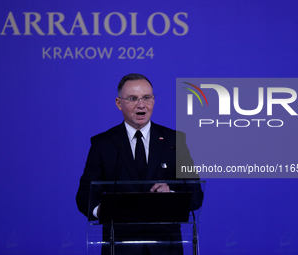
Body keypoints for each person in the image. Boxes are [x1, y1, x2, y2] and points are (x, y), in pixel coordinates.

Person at [76, 73, 203, 255]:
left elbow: (196, 193)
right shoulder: (103, 144)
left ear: (153, 100)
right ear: (119, 103)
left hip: (165, 247)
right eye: (133, 99)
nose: (141, 105)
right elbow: (84, 196)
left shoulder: (174, 141)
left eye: (147, 98)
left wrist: (172, 194)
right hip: (119, 247)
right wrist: (102, 210)